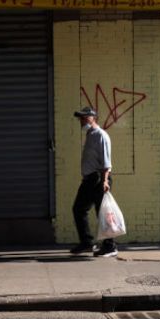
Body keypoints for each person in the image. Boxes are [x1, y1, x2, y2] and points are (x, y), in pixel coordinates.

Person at [71, 106, 117, 258]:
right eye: (81, 118)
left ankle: (110, 246)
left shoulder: (100, 135)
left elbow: (106, 161)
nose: (82, 120)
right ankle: (87, 243)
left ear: (93, 118)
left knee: (102, 212)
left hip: (98, 179)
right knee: (79, 209)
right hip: (90, 179)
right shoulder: (91, 134)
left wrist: (104, 181)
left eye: (85, 118)